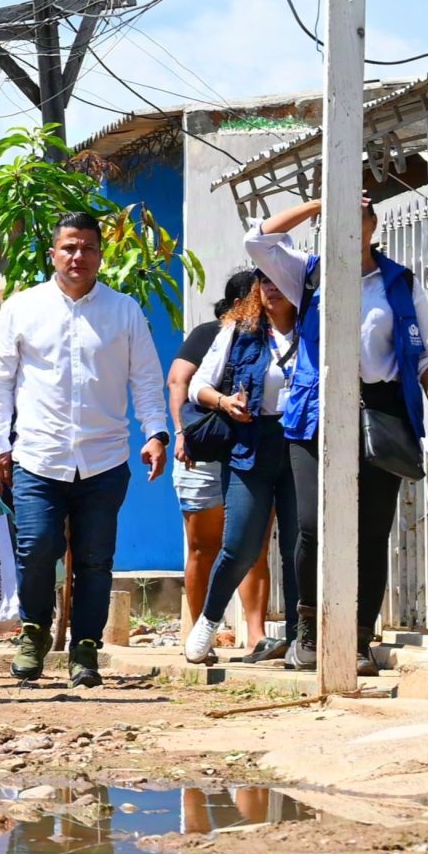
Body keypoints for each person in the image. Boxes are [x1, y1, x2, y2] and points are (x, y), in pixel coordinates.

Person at [248, 192, 428, 675]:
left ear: (373, 225)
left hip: (382, 412)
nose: (348, 227)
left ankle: (359, 639)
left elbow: (424, 359)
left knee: (371, 531)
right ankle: (310, 632)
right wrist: (321, 201)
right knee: (312, 527)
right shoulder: (308, 274)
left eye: (356, 218)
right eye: (336, 219)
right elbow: (258, 241)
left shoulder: (400, 283)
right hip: (315, 411)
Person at [0, 211, 171, 688]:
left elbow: (146, 378)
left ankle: (85, 648)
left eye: (87, 247)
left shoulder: (124, 310)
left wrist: (155, 432)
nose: (77, 256)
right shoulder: (22, 308)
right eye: (69, 247)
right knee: (37, 547)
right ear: (53, 253)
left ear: (100, 255)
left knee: (94, 557)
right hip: (37, 457)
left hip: (104, 457)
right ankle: (34, 634)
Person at [182, 271, 301, 665]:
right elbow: (197, 384)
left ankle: (303, 636)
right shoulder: (239, 330)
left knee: (299, 543)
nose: (271, 286)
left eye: (280, 278)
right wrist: (222, 402)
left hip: (301, 442)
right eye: (264, 280)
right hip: (252, 444)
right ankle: (208, 622)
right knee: (241, 544)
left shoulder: (315, 326)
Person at [169, 269, 274, 654]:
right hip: (205, 451)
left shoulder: (274, 337)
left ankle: (257, 635)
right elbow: (179, 380)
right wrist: (183, 433)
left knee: (253, 545)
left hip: (249, 453)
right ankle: (201, 634)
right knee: (204, 546)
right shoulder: (208, 334)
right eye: (258, 295)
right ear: (236, 304)